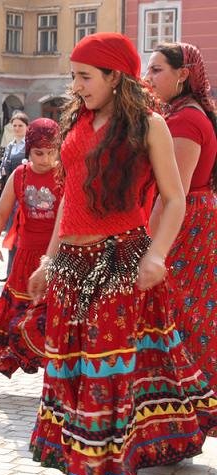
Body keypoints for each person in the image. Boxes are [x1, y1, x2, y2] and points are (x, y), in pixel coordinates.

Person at [26, 33, 217, 475]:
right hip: (71, 264)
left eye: (85, 76)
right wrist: (49, 260)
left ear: (115, 76)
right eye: (73, 76)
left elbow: (174, 199)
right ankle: (80, 462)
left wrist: (157, 256)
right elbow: (70, 198)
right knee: (68, 362)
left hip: (120, 260)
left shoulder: (150, 125)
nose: (76, 85)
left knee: (106, 368)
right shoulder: (77, 121)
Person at [145, 42, 217, 392]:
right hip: (192, 219)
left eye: (157, 70)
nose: (148, 77)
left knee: (181, 312)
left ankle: (193, 395)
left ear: (183, 75)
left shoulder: (186, 119)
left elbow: (174, 193)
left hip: (185, 225)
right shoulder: (181, 114)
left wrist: (148, 243)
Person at [0, 119, 62, 377]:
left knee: (55, 316)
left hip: (59, 258)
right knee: (15, 312)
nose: (45, 158)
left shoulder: (66, 174)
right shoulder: (20, 175)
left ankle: (57, 373)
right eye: (39, 153)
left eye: (51, 152)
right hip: (25, 256)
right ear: (28, 150)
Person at [0, 111, 29, 279]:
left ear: (27, 127)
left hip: (25, 194)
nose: (17, 128)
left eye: (20, 125)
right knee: (11, 233)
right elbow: (2, 167)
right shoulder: (10, 146)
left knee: (24, 234)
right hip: (10, 194)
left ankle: (23, 271)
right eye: (14, 125)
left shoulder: (29, 146)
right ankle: (10, 272)